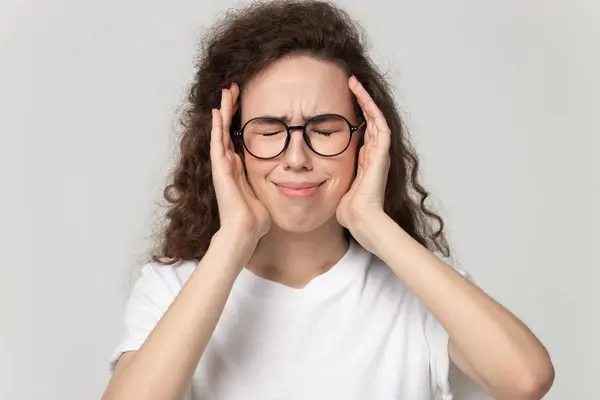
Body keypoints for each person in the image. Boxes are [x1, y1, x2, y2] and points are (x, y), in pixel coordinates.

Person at [102, 1, 555, 399]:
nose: (296, 158)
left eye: (324, 130)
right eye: (268, 131)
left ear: (366, 141)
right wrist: (234, 238)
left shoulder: (420, 289)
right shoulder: (173, 288)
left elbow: (526, 379)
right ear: (228, 145)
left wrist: (372, 223)